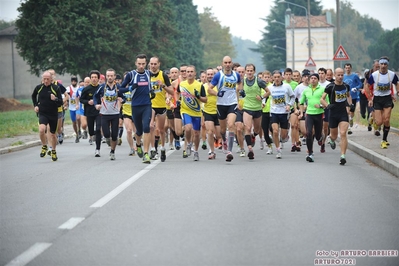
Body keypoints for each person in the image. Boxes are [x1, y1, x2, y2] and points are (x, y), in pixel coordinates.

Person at [118, 54, 153, 163]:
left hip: (147, 105)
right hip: (135, 106)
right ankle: (138, 145)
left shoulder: (148, 73)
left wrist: (151, 92)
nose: (141, 66)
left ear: (146, 63)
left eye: (143, 64)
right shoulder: (131, 75)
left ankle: (146, 153)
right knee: (139, 131)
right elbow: (120, 89)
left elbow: (149, 86)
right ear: (135, 63)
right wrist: (131, 87)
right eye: (139, 64)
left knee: (146, 127)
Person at [207, 55, 243, 162]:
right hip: (221, 105)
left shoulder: (236, 75)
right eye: (225, 63)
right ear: (223, 64)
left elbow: (240, 82)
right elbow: (209, 90)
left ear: (231, 63)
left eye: (229, 62)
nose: (227, 65)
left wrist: (240, 90)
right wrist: (218, 93)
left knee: (231, 125)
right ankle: (224, 140)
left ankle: (229, 152)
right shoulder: (219, 75)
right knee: (222, 130)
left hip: (232, 103)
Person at [320, 68, 351, 165]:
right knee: (334, 135)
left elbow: (348, 96)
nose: (340, 77)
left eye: (342, 75)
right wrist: (328, 106)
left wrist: (350, 105)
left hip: (343, 113)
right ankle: (331, 139)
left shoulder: (346, 86)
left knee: (342, 133)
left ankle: (343, 156)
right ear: (335, 75)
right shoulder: (330, 86)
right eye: (338, 75)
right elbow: (322, 99)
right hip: (333, 114)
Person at [366, 56, 398, 149]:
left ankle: (384, 140)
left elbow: (396, 83)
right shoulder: (374, 75)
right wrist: (370, 99)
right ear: (379, 65)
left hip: (387, 98)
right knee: (379, 122)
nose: (383, 66)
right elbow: (367, 85)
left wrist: (397, 92)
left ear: (387, 65)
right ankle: (373, 119)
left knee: (386, 120)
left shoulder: (392, 74)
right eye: (382, 64)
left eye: (385, 64)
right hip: (377, 99)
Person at [177, 65, 207, 161]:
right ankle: (189, 143)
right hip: (185, 110)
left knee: (197, 133)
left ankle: (196, 151)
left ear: (195, 73)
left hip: (197, 112)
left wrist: (198, 97)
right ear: (185, 73)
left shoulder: (199, 85)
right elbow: (177, 92)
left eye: (191, 72)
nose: (189, 73)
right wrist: (177, 100)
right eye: (188, 71)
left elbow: (205, 100)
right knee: (188, 128)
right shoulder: (182, 84)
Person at [31, 71, 63, 161]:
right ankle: (44, 146)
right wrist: (36, 105)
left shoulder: (56, 88)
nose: (45, 81)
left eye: (47, 79)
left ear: (51, 79)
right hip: (43, 113)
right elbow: (33, 96)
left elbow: (60, 102)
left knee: (52, 135)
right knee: (41, 130)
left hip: (53, 114)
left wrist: (55, 98)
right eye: (44, 79)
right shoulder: (39, 88)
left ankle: (53, 151)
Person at [148, 56, 175, 162]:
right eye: (151, 64)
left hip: (161, 106)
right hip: (150, 105)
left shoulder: (163, 75)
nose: (153, 66)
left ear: (159, 64)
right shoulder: (146, 75)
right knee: (151, 127)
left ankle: (163, 148)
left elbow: (172, 92)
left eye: (155, 64)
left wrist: (163, 85)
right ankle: (153, 149)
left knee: (161, 130)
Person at [94, 68, 124, 160]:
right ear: (106, 77)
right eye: (108, 76)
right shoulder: (102, 87)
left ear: (114, 77)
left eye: (111, 76)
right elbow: (95, 96)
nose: (110, 77)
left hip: (115, 113)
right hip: (104, 113)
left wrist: (122, 100)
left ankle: (112, 151)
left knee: (114, 135)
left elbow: (123, 96)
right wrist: (96, 105)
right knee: (106, 134)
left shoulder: (118, 87)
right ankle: (108, 139)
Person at [242, 63, 269, 160]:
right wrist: (240, 93)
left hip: (257, 109)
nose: (249, 72)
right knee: (247, 128)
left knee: (257, 130)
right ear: (245, 72)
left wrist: (261, 97)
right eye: (248, 71)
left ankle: (253, 136)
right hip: (247, 108)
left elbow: (268, 92)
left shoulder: (259, 81)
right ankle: (250, 149)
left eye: (251, 71)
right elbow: (237, 90)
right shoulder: (243, 81)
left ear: (254, 72)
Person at [268, 70, 295, 159]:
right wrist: (263, 102)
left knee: (283, 136)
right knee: (275, 131)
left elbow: (292, 97)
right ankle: (278, 150)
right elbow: (266, 96)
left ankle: (283, 138)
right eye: (275, 77)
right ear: (272, 78)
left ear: (281, 77)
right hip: (274, 112)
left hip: (284, 113)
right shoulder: (270, 87)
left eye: (278, 77)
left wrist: (289, 105)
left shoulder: (287, 87)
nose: (276, 79)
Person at [299, 73, 325, 162]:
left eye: (315, 78)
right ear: (309, 80)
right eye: (312, 78)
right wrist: (302, 112)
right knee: (308, 133)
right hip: (309, 114)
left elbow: (327, 102)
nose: (313, 80)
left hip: (319, 114)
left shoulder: (322, 89)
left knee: (317, 136)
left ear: (318, 80)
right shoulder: (306, 90)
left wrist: (321, 106)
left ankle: (320, 137)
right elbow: (301, 102)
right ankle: (310, 153)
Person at [80, 70, 102, 156]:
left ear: (98, 78)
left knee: (98, 130)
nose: (94, 79)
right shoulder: (86, 89)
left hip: (99, 112)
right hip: (89, 112)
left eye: (95, 77)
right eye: (92, 77)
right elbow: (81, 99)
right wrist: (88, 102)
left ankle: (98, 149)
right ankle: (92, 135)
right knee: (92, 131)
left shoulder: (101, 88)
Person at [202, 67, 220, 159]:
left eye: (211, 74)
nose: (210, 76)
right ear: (205, 76)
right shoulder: (203, 86)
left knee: (219, 134)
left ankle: (219, 141)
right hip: (207, 111)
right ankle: (212, 151)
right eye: (208, 74)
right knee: (209, 131)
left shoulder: (218, 85)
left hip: (219, 111)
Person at [292, 69, 311, 152]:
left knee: (312, 131)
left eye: (308, 76)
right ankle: (306, 143)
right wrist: (296, 109)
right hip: (303, 110)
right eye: (305, 76)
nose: (307, 78)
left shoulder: (314, 87)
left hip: (313, 110)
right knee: (304, 131)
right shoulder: (298, 87)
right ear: (302, 78)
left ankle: (310, 148)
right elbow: (293, 99)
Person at [343, 63, 362, 134]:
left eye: (349, 68)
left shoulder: (355, 76)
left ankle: (351, 118)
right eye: (346, 68)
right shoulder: (343, 76)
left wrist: (356, 88)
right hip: (346, 97)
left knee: (352, 112)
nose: (347, 69)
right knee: (347, 112)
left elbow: (360, 84)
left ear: (351, 68)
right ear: (344, 69)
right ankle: (348, 128)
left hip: (354, 96)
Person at [318, 67, 331, 153]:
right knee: (318, 126)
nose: (321, 75)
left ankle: (323, 142)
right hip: (317, 108)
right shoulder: (315, 83)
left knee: (325, 127)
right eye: (319, 73)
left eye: (322, 73)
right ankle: (319, 137)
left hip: (326, 107)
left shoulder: (329, 84)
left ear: (326, 75)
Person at [235, 66, 246, 157]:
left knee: (246, 129)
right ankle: (242, 148)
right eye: (239, 72)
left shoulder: (249, 82)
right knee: (238, 129)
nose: (241, 74)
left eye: (242, 72)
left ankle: (250, 137)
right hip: (237, 109)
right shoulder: (232, 82)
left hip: (248, 108)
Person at [67, 76, 81, 143]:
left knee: (78, 118)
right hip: (71, 108)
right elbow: (66, 97)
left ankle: (79, 129)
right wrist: (66, 105)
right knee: (74, 122)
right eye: (72, 81)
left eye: (74, 81)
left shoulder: (79, 88)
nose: (73, 82)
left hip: (78, 107)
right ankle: (77, 133)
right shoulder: (69, 88)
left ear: (76, 82)